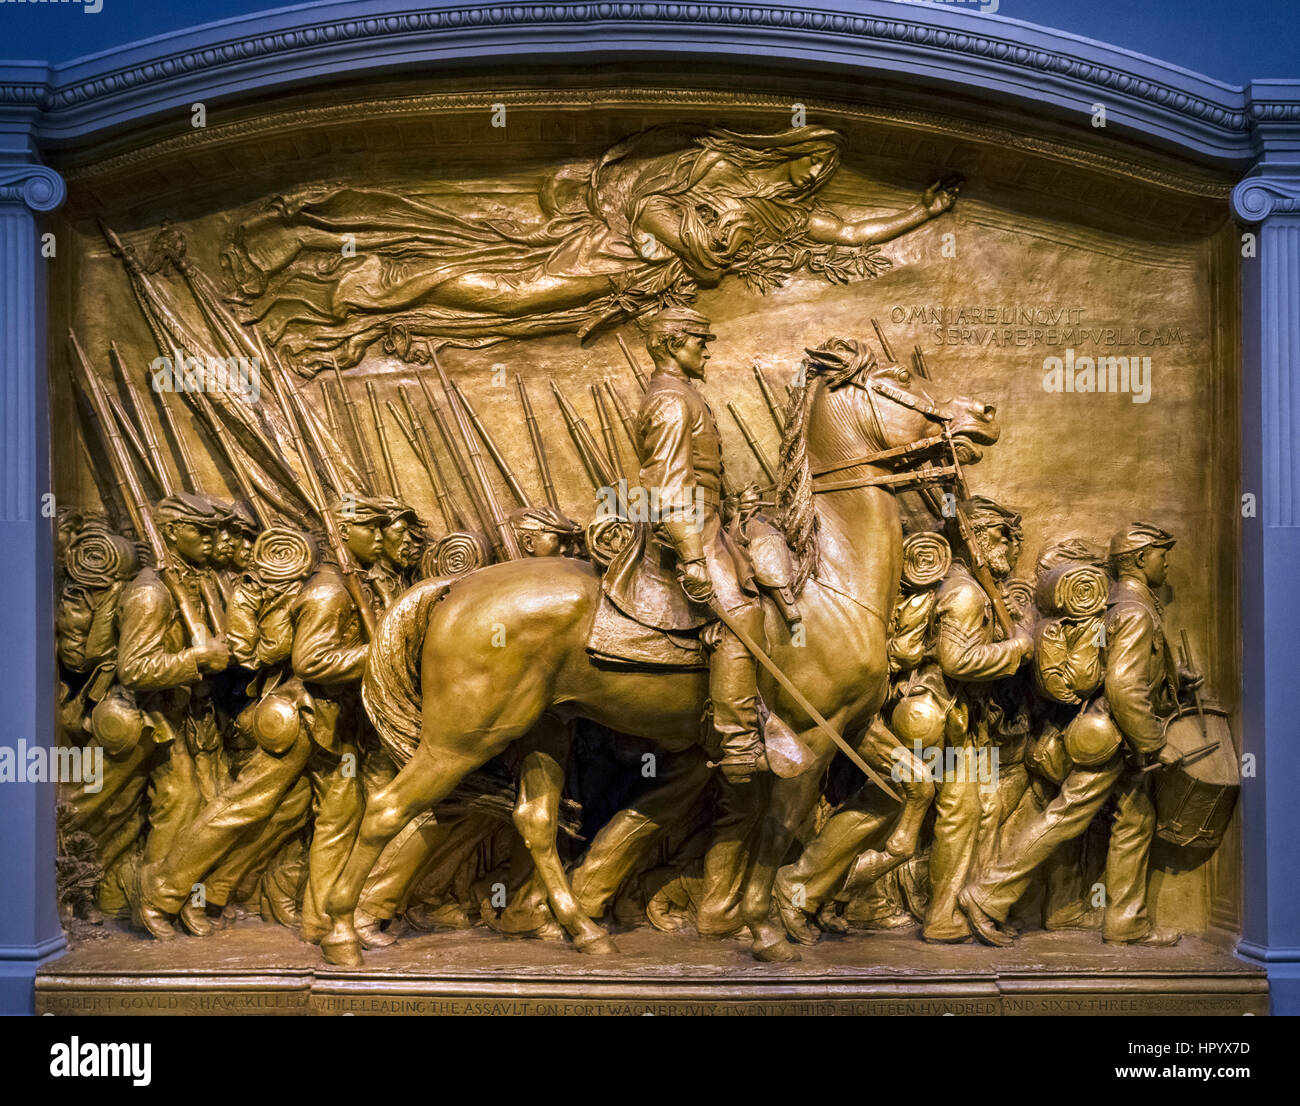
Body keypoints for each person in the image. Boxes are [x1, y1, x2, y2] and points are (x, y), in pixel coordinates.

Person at [960, 523, 1195, 948]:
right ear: (1141, 559)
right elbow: (1124, 687)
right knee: (1067, 816)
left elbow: (1123, 667)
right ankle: (987, 893)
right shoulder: (1135, 611)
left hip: (1104, 731)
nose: (1168, 563)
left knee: (1132, 819)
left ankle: (1113, 920)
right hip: (1114, 736)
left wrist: (1175, 679)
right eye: (1163, 554)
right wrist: (1155, 743)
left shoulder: (1116, 604)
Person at [604, 306, 767, 783]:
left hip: (709, 518)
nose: (707, 348)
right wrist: (693, 557)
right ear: (674, 344)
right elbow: (670, 486)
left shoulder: (685, 395)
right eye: (700, 340)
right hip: (688, 527)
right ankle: (737, 742)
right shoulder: (672, 400)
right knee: (740, 612)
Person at [921, 498, 1034, 943]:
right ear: (981, 538)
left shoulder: (975, 588)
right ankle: (939, 914)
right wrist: (1018, 649)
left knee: (981, 810)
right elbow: (958, 660)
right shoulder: (966, 592)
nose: (1011, 547)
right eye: (1004, 537)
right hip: (942, 718)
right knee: (958, 813)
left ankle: (964, 907)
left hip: (966, 724)